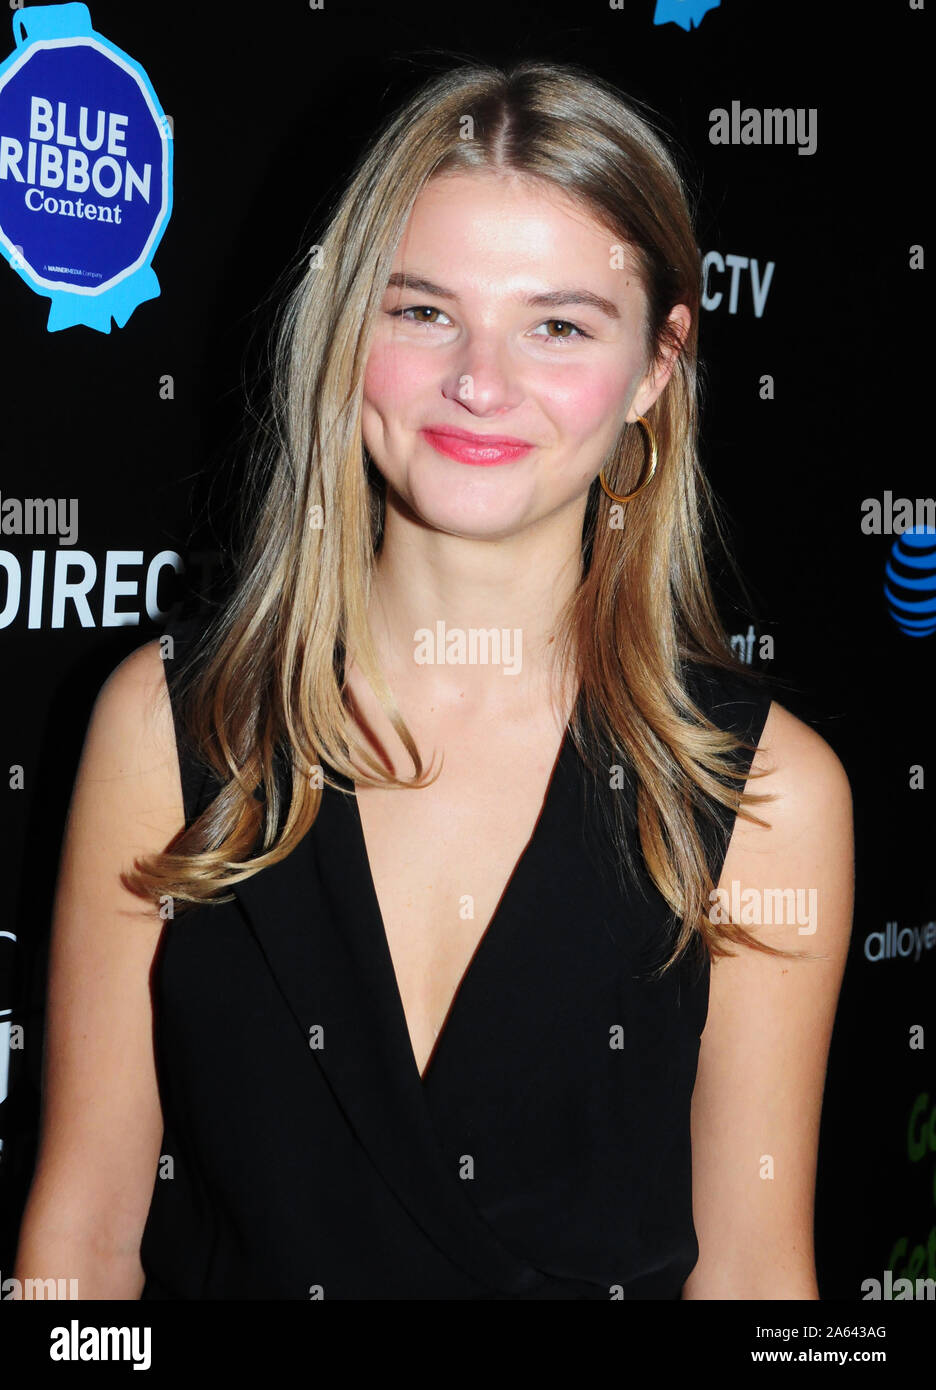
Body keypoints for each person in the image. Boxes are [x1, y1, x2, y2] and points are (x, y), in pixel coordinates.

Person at [13, 59, 853, 1300]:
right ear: (349, 326)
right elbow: (78, 1257)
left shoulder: (764, 792)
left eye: (558, 324)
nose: (481, 380)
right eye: (422, 311)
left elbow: (754, 1284)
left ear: (657, 369)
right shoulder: (171, 723)